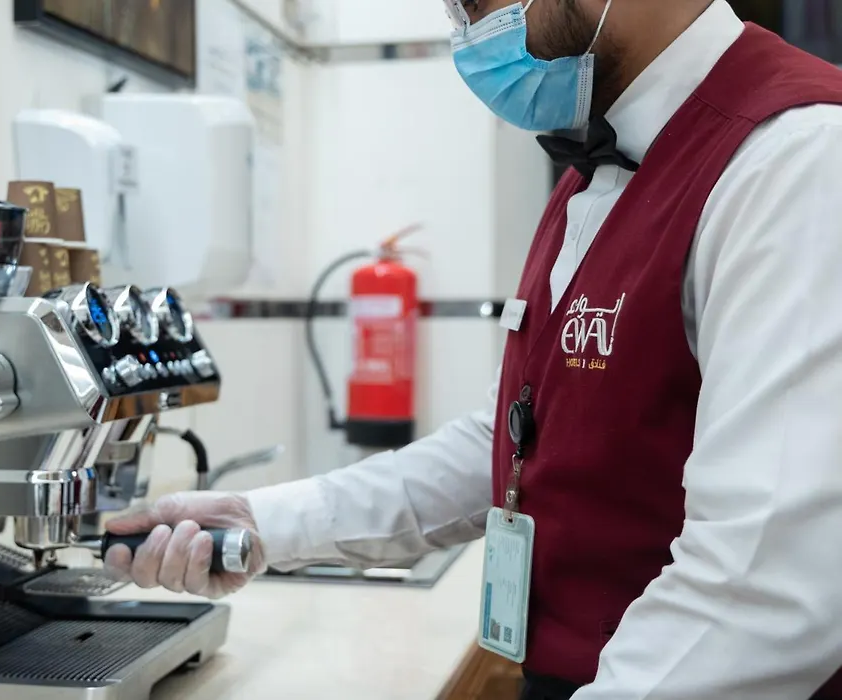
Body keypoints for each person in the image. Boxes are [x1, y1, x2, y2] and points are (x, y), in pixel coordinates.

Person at [104, 1, 842, 698]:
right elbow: (517, 439)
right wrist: (263, 521)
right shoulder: (591, 175)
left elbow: (763, 585)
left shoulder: (798, 156)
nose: (465, 30)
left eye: (474, 1)